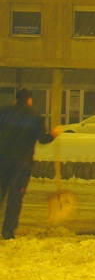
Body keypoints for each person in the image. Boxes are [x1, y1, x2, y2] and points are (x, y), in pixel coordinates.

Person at [0, 89, 62, 239]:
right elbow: (42, 139)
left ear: (16, 100)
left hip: (3, 160)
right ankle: (8, 232)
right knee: (15, 198)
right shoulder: (35, 117)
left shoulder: (4, 112)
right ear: (29, 100)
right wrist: (53, 134)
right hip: (22, 164)